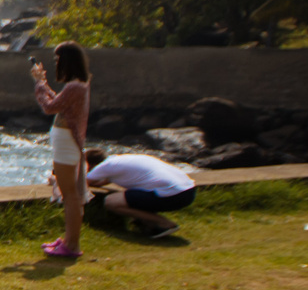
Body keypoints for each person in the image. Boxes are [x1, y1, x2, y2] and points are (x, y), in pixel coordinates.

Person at [28, 41, 91, 260]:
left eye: (58, 60)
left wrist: (39, 84)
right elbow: (59, 102)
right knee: (71, 194)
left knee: (70, 195)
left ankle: (72, 245)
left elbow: (49, 107)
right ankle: (68, 240)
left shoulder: (75, 87)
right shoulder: (78, 85)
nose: (56, 64)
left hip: (66, 144)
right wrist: (43, 83)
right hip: (66, 143)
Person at [79, 146, 197, 236]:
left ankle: (164, 223)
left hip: (173, 195)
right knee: (134, 195)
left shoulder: (105, 166)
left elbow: (82, 183)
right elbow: (100, 182)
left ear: (90, 165)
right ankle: (150, 225)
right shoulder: (120, 160)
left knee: (111, 201)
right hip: (188, 191)